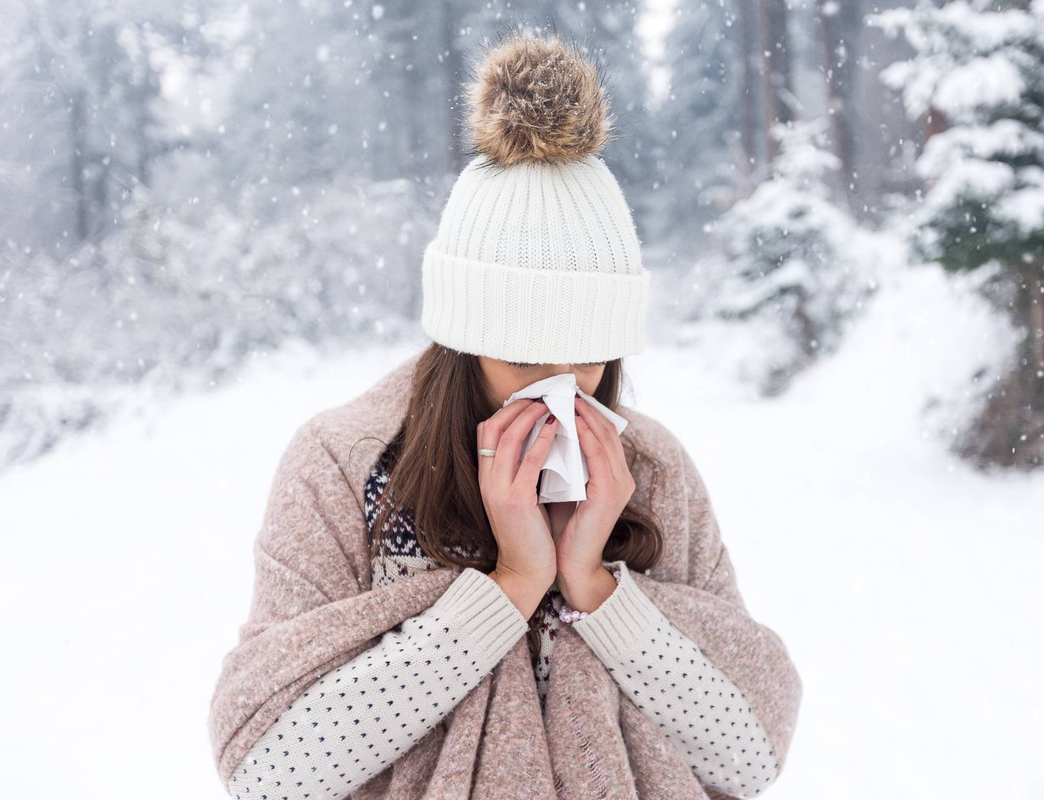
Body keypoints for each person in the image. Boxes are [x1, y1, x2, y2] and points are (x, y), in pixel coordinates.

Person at [207, 26, 802, 800]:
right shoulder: (344, 466)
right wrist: (511, 585)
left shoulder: (652, 474)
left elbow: (749, 757)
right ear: (464, 344)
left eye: (586, 357)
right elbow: (268, 774)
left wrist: (595, 584)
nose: (560, 389)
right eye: (524, 358)